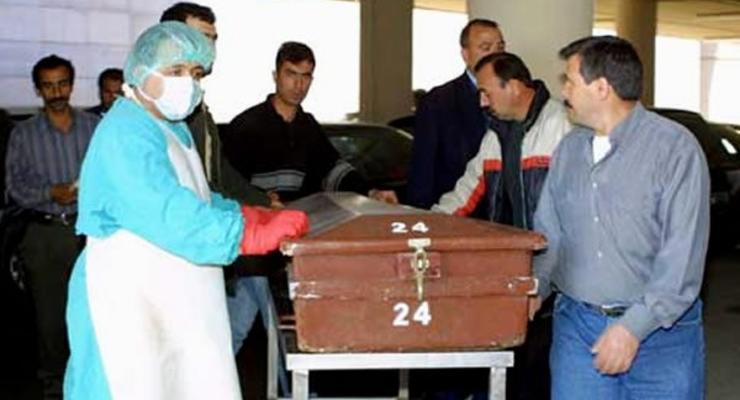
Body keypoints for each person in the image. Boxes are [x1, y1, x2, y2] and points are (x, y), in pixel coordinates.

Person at [62, 21, 309, 400]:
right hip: (130, 300)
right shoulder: (125, 131)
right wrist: (243, 232)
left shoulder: (170, 128)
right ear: (141, 70)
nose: (187, 83)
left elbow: (197, 196)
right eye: (175, 71)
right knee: (136, 385)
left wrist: (248, 213)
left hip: (172, 295)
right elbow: (166, 211)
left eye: (195, 73)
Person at [532, 35, 709, 399]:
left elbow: (682, 256)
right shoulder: (568, 151)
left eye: (570, 80)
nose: (563, 91)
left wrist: (633, 327)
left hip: (663, 337)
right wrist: (534, 289)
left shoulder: (675, 150)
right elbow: (551, 234)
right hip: (578, 329)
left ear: (601, 88)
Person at [222, 41, 397, 358]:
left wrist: (370, 193)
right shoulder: (246, 126)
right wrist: (260, 200)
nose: (298, 84)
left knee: (252, 329)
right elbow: (227, 184)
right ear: (275, 75)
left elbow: (334, 169)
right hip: (253, 248)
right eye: (291, 74)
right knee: (265, 330)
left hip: (292, 247)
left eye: (306, 76)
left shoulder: (308, 128)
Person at [433, 52, 570, 400]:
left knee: (549, 375)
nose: (482, 101)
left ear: (514, 86)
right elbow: (465, 192)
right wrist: (426, 226)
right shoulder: (494, 137)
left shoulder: (561, 127)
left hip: (560, 277)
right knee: (516, 372)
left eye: (486, 91)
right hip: (516, 271)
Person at [4, 54, 99, 399]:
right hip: (43, 236)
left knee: (94, 311)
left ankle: (92, 382)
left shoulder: (93, 127)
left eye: (62, 84)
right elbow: (14, 187)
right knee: (50, 319)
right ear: (38, 89)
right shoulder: (24, 134)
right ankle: (55, 387)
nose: (56, 92)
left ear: (71, 85)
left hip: (89, 232)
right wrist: (50, 193)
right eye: (48, 86)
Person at [407, 18, 505, 209]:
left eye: (500, 47)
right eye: (485, 48)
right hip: (457, 211)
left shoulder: (513, 96)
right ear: (465, 55)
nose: (496, 55)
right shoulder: (438, 102)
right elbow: (423, 170)